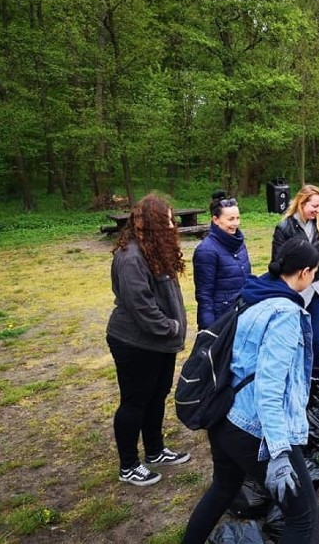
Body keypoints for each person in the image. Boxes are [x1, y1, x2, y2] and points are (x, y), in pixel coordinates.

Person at [182, 239, 319, 544]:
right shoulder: (284, 313)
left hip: (225, 415)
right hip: (253, 429)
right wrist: (280, 453)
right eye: (314, 272)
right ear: (304, 272)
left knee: (223, 488)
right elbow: (269, 389)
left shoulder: (255, 292)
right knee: (303, 516)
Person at [106, 194, 190, 487]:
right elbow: (141, 305)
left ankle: (155, 450)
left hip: (160, 343)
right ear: (152, 223)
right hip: (134, 343)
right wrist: (169, 327)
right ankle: (128, 465)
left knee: (157, 396)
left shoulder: (155, 249)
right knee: (134, 402)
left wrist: (172, 330)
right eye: (167, 220)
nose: (172, 224)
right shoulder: (130, 256)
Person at [271, 184, 319, 379]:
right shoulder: (284, 227)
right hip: (296, 292)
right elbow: (276, 263)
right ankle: (295, 383)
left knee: (318, 345)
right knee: (296, 342)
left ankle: (315, 383)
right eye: (314, 206)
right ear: (301, 202)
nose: (318, 210)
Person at [192, 191, 252, 329]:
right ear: (215, 220)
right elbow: (204, 295)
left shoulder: (239, 243)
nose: (236, 223)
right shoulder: (206, 251)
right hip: (222, 319)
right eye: (230, 219)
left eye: (237, 218)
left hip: (243, 313)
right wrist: (208, 330)